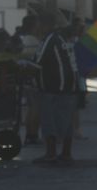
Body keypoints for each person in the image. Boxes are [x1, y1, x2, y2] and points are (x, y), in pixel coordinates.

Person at [33, 13, 77, 164]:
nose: (37, 27)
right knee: (66, 121)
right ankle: (66, 153)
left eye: (39, 24)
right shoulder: (64, 39)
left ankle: (50, 153)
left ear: (45, 25)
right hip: (69, 86)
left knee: (49, 121)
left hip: (52, 86)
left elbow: (38, 61)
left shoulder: (49, 39)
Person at [18, 14, 42, 145]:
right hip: (32, 78)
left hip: (24, 78)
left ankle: (30, 135)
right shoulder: (32, 40)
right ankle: (32, 135)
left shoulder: (21, 38)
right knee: (36, 108)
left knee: (30, 108)